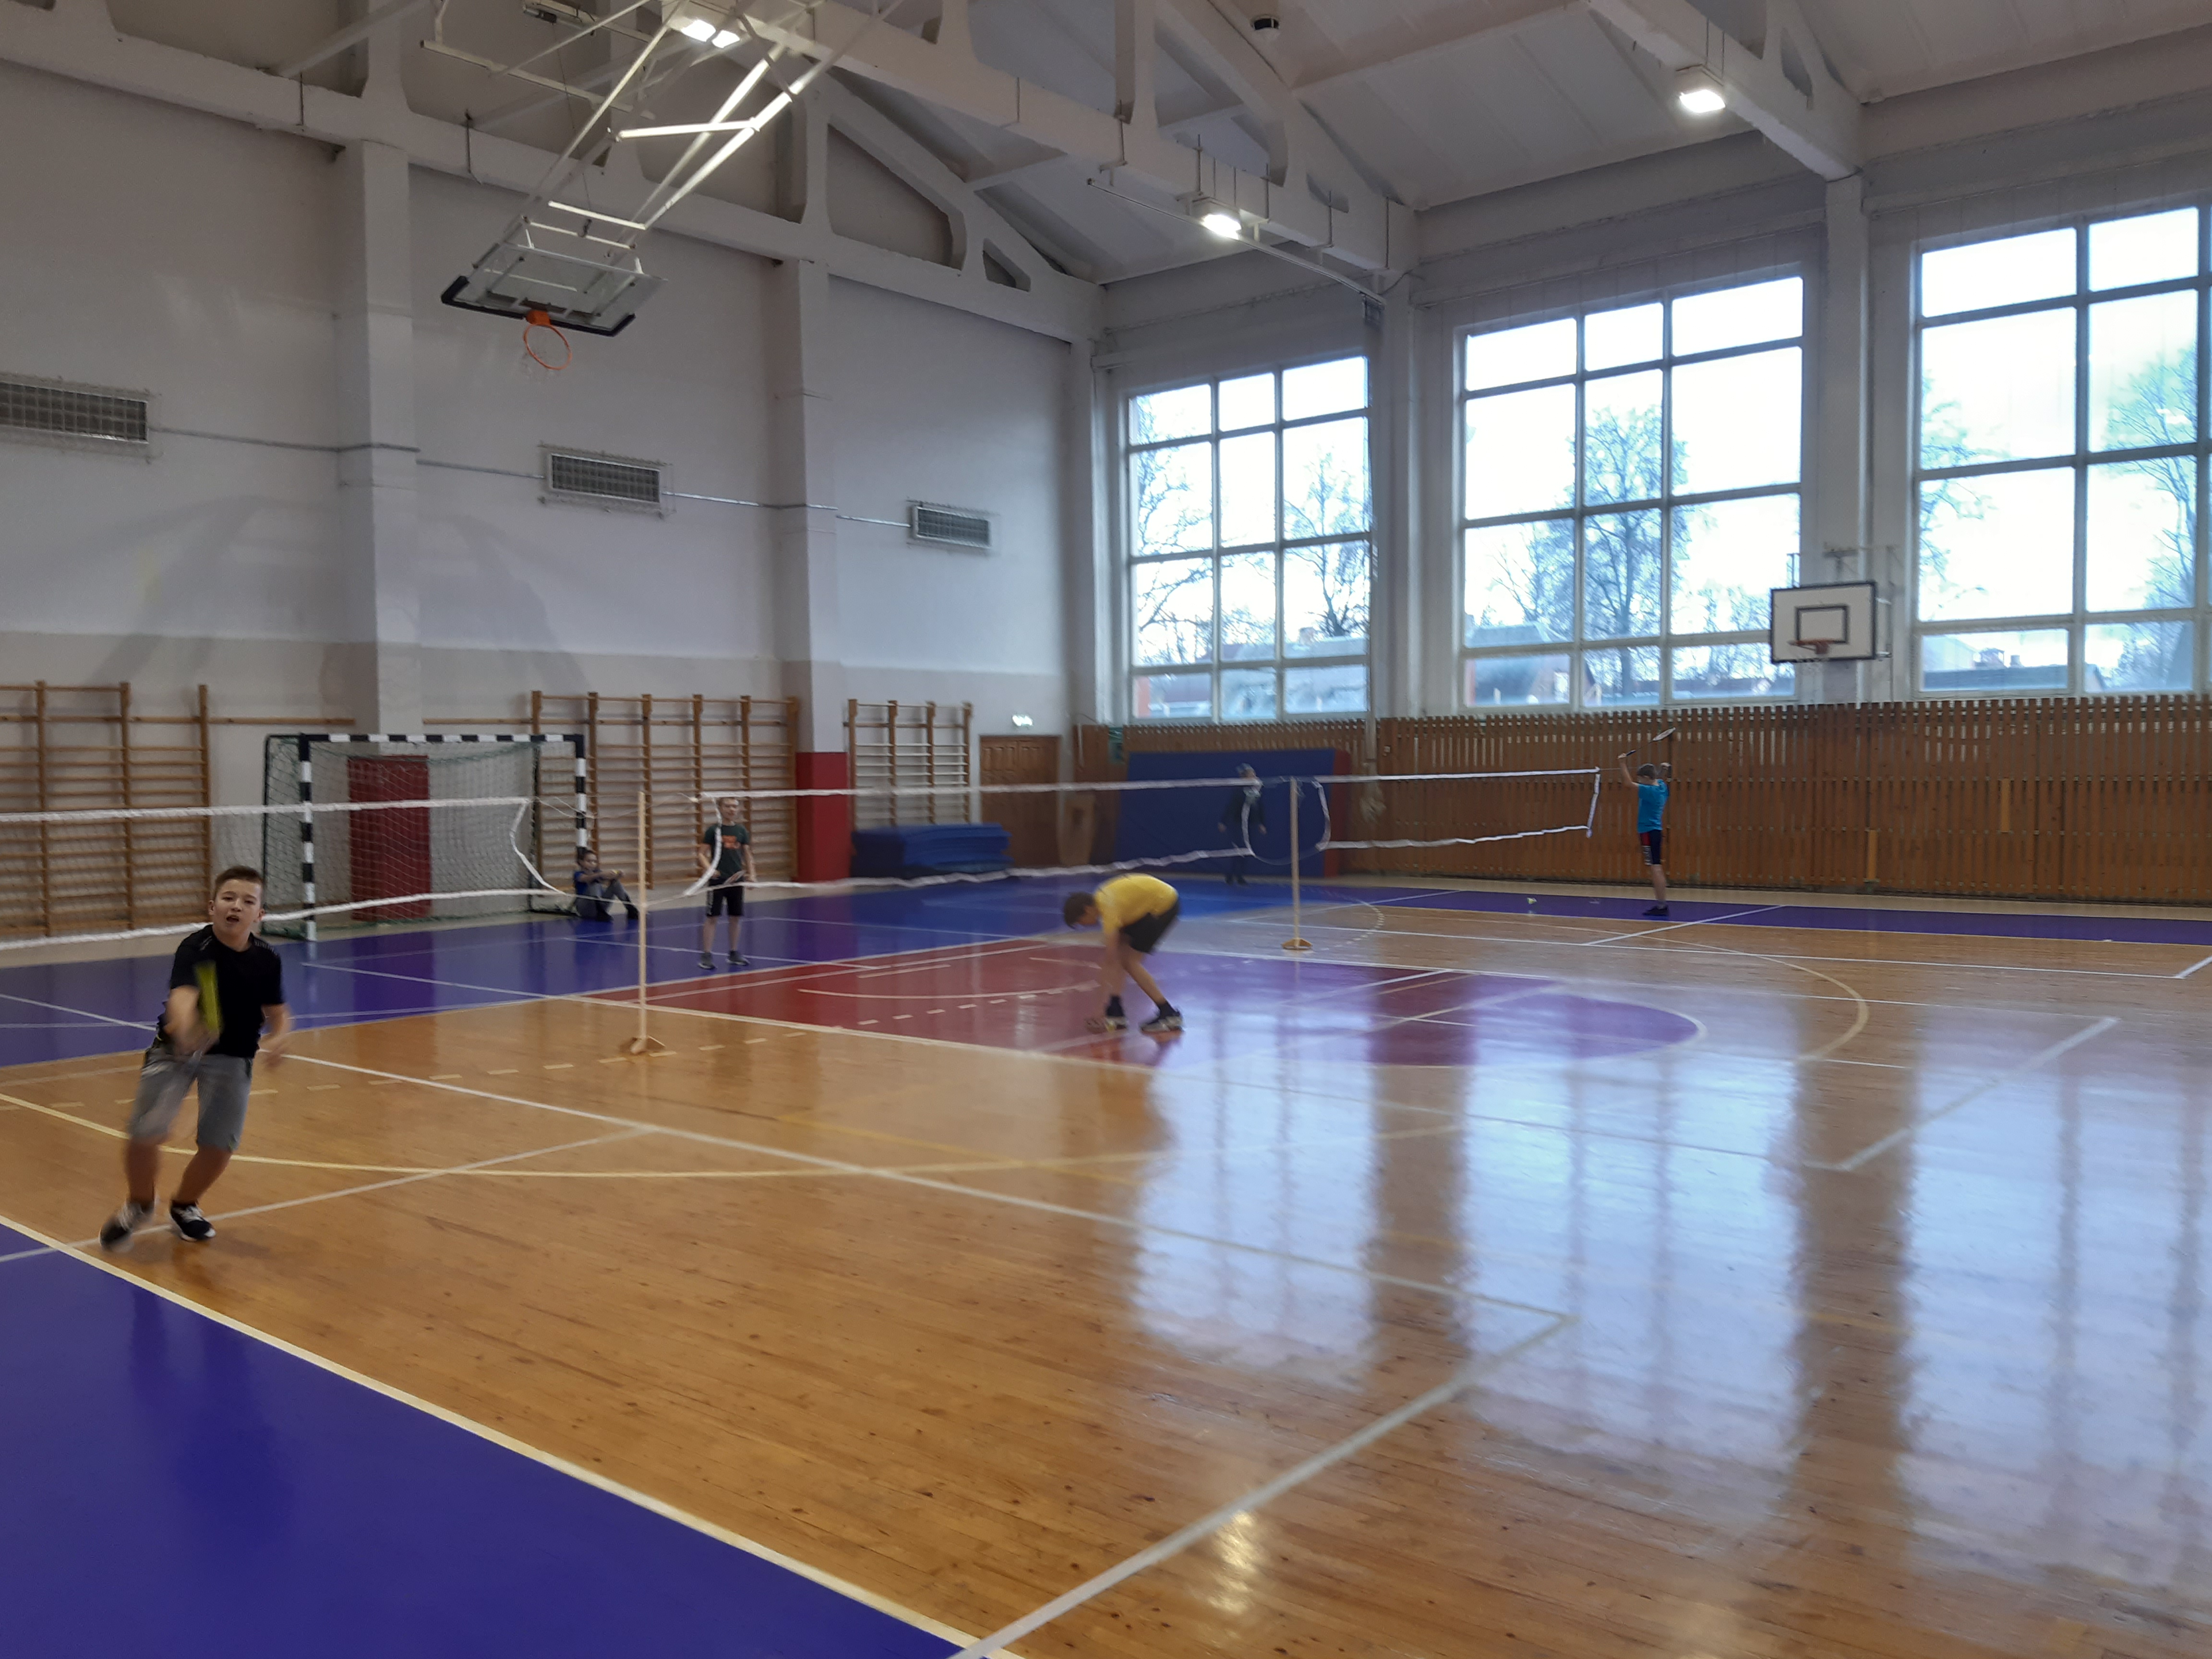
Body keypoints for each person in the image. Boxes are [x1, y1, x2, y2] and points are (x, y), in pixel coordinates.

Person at [99, 866, 292, 1250]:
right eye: (228, 898)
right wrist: (186, 1029)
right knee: (143, 1137)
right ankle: (139, 1203)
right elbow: (183, 996)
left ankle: (185, 1205)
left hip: (234, 1055)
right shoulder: (196, 948)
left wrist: (281, 1036)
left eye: (248, 901)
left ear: (259, 914)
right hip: (175, 1052)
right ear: (212, 906)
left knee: (219, 1147)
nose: (236, 906)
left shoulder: (267, 959)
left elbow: (277, 1011)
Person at [1063, 873, 1184, 1035]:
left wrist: (1098, 1009)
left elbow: (1109, 961)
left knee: (1130, 962)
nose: (1083, 926)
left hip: (1163, 905)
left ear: (1087, 910)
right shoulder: (1104, 901)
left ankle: (1168, 1013)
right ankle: (1116, 1009)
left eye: (1080, 922)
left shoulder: (1109, 909)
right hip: (1149, 904)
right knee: (1121, 953)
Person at [697, 795, 755, 969]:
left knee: (735, 917)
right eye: (728, 806)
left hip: (736, 880)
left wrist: (752, 875)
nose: (732, 809)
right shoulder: (714, 830)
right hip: (718, 881)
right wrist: (710, 869)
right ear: (720, 809)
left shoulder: (741, 831)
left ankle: (734, 953)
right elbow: (701, 854)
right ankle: (706, 955)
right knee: (712, 918)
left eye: (735, 806)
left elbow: (747, 854)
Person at [1617, 754, 1671, 917]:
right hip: (1655, 831)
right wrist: (1663, 770)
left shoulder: (1650, 791)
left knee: (1655, 868)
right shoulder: (1661, 786)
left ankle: (1662, 906)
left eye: (1641, 779)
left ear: (1647, 778)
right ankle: (1662, 904)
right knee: (1656, 866)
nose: (1639, 782)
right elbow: (1658, 778)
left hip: (1648, 832)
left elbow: (1628, 784)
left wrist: (1622, 763)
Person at [1218, 764, 1264, 886]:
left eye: (1254, 774)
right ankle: (1231, 875)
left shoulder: (1256, 789)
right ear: (1245, 777)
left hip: (1250, 824)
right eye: (1251, 774)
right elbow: (1231, 806)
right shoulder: (1239, 790)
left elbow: (1259, 807)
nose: (1254, 776)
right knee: (1238, 850)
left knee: (1246, 850)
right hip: (1238, 823)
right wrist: (1224, 822)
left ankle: (1240, 876)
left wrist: (1261, 823)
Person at [571, 845, 638, 922]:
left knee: (616, 883)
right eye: (589, 861)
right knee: (594, 883)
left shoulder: (597, 872)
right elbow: (587, 879)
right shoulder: (578, 874)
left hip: (601, 907)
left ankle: (630, 908)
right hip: (585, 908)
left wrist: (618, 875)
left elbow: (608, 880)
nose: (592, 864)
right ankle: (600, 912)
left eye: (595, 862)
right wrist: (600, 875)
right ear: (581, 862)